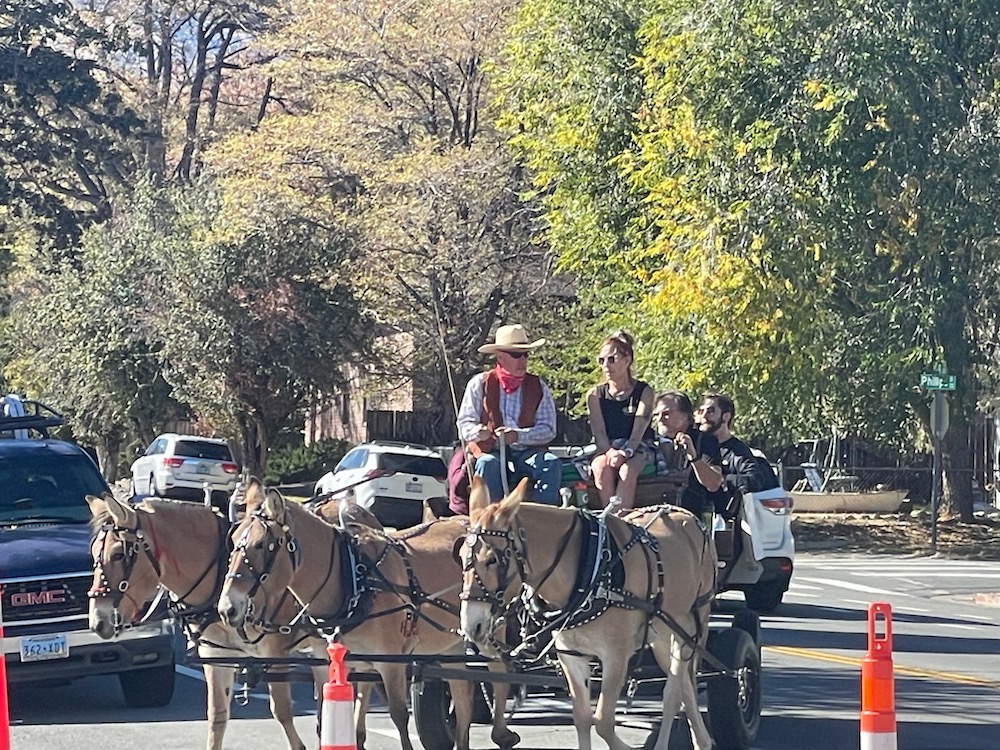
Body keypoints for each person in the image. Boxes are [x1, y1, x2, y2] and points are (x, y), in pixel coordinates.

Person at [457, 324, 561, 504]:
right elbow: (464, 424)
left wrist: (518, 436)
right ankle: (490, 519)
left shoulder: (539, 387)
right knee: (487, 464)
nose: (522, 360)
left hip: (527, 451)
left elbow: (549, 429)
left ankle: (543, 519)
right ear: (500, 356)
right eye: (516, 355)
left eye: (525, 354)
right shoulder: (478, 384)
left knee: (551, 463)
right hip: (491, 450)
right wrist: (478, 432)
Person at [586, 331, 655, 509]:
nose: (606, 365)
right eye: (601, 361)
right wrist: (610, 452)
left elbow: (639, 428)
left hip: (638, 446)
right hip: (607, 447)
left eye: (612, 359)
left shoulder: (644, 392)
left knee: (627, 470)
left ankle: (622, 522)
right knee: (601, 468)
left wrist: (627, 452)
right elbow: (599, 432)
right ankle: (609, 521)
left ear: (627, 360)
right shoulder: (595, 395)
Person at [695, 393, 779, 514]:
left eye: (711, 411)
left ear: (726, 417)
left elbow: (754, 480)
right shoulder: (695, 446)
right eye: (700, 411)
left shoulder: (738, 451)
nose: (703, 416)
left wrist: (720, 479)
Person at [652, 390, 723, 518]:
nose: (660, 419)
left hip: (690, 517)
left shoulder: (705, 441)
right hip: (653, 514)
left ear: (685, 416)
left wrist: (693, 456)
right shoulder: (650, 441)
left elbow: (714, 484)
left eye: (666, 414)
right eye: (656, 415)